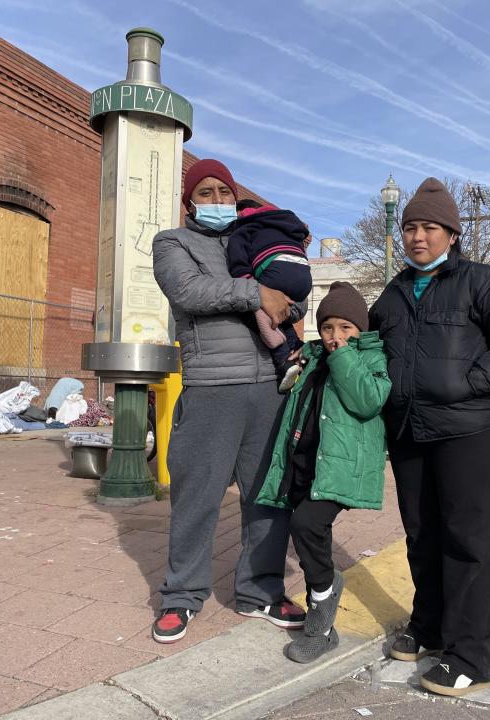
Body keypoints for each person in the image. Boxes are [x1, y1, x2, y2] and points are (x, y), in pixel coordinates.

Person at [369, 177, 490, 697]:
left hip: (468, 432)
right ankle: (429, 627)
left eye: (429, 227)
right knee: (422, 536)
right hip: (409, 433)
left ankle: (470, 654)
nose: (418, 237)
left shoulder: (485, 282)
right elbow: (372, 351)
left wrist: (474, 382)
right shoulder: (392, 295)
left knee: (467, 542)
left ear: (451, 233)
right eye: (410, 228)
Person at [151, 158, 307, 644]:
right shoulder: (173, 243)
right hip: (211, 388)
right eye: (207, 192)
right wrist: (257, 291)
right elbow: (189, 290)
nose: (218, 201)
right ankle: (182, 595)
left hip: (269, 388)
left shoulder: (254, 236)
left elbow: (293, 297)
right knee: (197, 498)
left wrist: (282, 296)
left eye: (225, 194)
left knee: (268, 497)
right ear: (189, 201)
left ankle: (259, 590)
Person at [256, 281, 390, 663]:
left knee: (307, 526)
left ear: (360, 330)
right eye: (328, 327)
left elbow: (368, 401)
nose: (336, 336)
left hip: (338, 468)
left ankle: (322, 618)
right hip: (304, 463)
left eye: (346, 328)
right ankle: (325, 587)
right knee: (308, 532)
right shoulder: (312, 355)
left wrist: (344, 356)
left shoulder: (372, 359)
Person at [227, 201, 311, 391]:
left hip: (277, 273)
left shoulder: (245, 226)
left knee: (254, 309)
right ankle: (297, 348)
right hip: (304, 278)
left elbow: (238, 261)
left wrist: (249, 283)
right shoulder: (285, 224)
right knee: (279, 313)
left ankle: (282, 358)